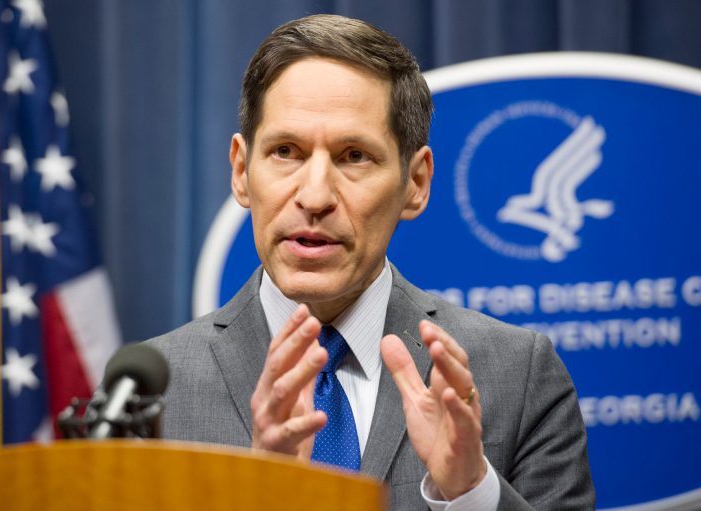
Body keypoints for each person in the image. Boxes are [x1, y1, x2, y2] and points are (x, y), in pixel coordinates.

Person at [145, 14, 595, 510]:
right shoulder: (151, 394)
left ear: (416, 183)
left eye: (354, 156)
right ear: (240, 171)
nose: (315, 196)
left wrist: (470, 491)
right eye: (286, 151)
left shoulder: (520, 374)